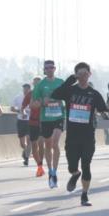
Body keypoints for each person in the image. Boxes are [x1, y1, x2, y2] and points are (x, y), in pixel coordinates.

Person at [51, 62, 108, 206]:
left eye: (85, 73)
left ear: (90, 74)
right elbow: (55, 94)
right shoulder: (70, 91)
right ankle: (75, 174)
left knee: (86, 165)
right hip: (72, 137)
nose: (83, 77)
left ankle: (84, 195)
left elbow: (104, 109)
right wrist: (71, 79)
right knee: (72, 166)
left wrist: (105, 113)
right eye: (79, 74)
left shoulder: (94, 94)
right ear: (76, 75)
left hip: (88, 136)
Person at [31, 60, 65, 188]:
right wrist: (42, 103)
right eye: (47, 68)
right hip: (46, 119)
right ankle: (50, 171)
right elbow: (32, 105)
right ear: (44, 70)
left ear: (55, 69)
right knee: (48, 145)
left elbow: (68, 97)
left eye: (52, 67)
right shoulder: (40, 85)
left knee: (55, 143)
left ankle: (55, 172)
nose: (50, 69)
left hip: (59, 117)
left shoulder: (60, 82)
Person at [11, 83, 32, 166]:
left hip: (30, 121)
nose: (26, 90)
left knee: (29, 140)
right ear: (22, 89)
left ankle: (26, 158)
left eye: (27, 88)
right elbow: (12, 108)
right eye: (24, 88)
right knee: (22, 143)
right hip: (21, 120)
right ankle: (25, 151)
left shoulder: (33, 97)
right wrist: (19, 111)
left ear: (30, 89)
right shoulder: (18, 97)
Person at [27, 76, 45, 176]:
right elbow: (23, 106)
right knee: (34, 145)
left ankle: (41, 164)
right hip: (32, 123)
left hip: (43, 121)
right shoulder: (30, 94)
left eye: (39, 83)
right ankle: (39, 166)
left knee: (41, 143)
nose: (37, 84)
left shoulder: (45, 94)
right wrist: (22, 111)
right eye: (35, 83)